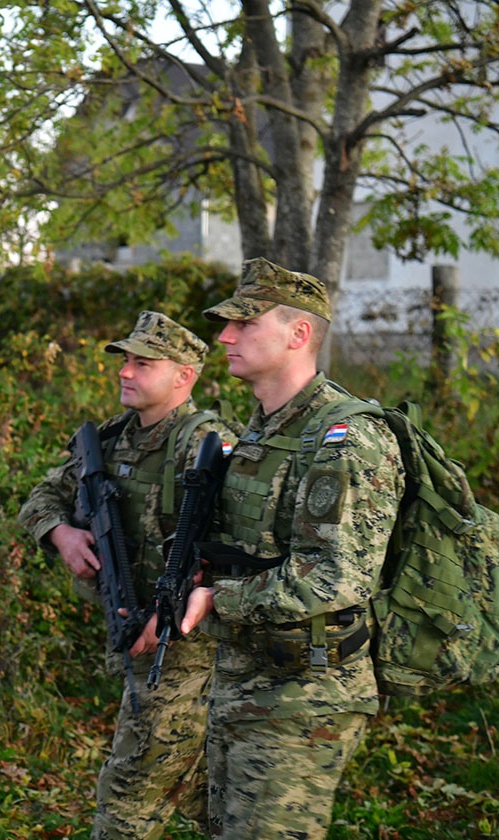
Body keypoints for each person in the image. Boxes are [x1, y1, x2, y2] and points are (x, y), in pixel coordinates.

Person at [180, 258, 405, 838]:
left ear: (298, 333)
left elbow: (335, 577)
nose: (225, 337)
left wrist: (219, 600)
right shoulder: (264, 428)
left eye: (245, 323)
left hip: (305, 697)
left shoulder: (345, 438)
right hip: (243, 680)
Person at [18, 311, 238, 840]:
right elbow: (43, 496)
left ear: (184, 376)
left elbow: (229, 546)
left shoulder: (205, 443)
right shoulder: (113, 438)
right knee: (204, 789)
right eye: (126, 361)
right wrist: (62, 534)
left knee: (129, 790)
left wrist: (171, 613)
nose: (125, 371)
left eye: (143, 363)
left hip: (186, 648)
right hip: (134, 631)